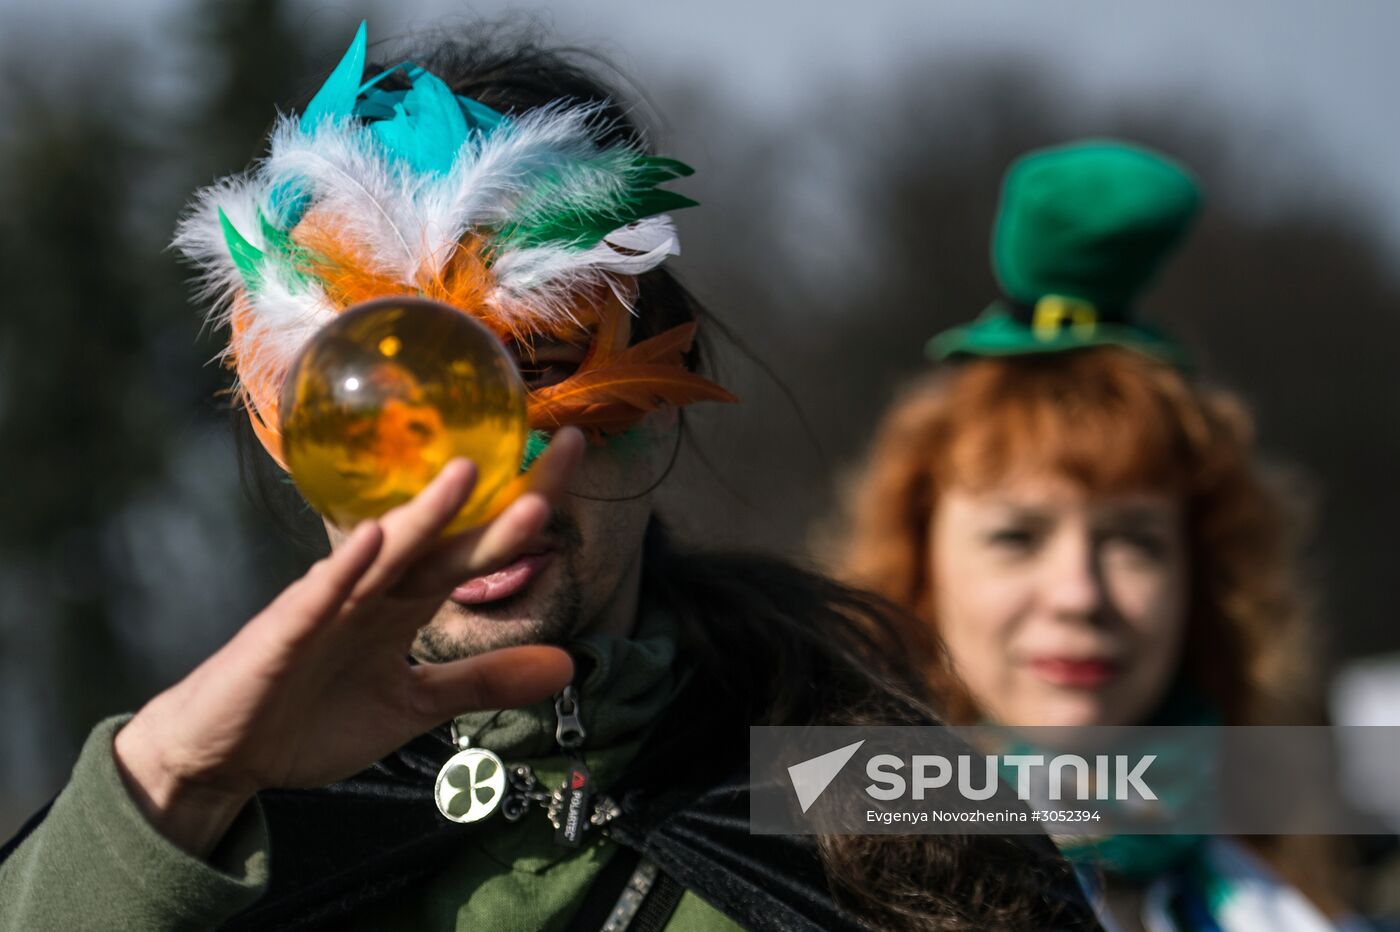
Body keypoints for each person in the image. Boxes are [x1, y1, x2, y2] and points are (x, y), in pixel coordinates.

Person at [0, 22, 1099, 932]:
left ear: (663, 380)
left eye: (534, 369)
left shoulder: (864, 778)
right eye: (382, 410)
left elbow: (1202, 792)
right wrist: (174, 784)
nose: (478, 482)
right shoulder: (209, 827)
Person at [833, 139, 1366, 931]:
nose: (1081, 593)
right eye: (1017, 536)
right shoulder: (805, 869)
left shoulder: (1289, 897)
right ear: (918, 569)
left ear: (1204, 580)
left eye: (1135, 542)